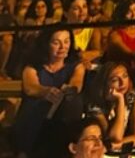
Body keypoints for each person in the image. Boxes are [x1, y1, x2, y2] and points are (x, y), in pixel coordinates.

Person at [12, 25, 85, 158]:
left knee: (72, 102)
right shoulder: (33, 66)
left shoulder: (76, 66)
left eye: (67, 41)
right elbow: (30, 87)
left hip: (60, 115)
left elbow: (76, 83)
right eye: (56, 42)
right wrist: (46, 91)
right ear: (46, 45)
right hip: (34, 116)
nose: (63, 47)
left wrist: (66, 91)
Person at [86, 60, 135, 152]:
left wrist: (114, 146)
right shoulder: (96, 105)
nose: (122, 83)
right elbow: (114, 137)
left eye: (125, 76)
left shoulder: (134, 99)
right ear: (105, 84)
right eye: (115, 80)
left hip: (114, 149)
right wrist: (120, 101)